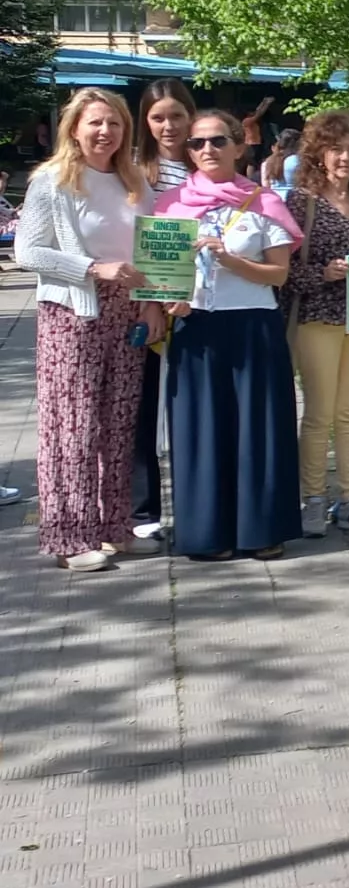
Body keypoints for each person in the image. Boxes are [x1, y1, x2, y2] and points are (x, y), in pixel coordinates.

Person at [16, 88, 160, 569]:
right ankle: (71, 538)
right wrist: (90, 268)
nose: (105, 132)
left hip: (128, 312)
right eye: (95, 122)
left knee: (119, 425)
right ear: (74, 128)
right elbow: (27, 252)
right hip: (75, 312)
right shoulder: (52, 181)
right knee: (73, 427)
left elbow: (154, 248)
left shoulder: (134, 179)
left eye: (115, 123)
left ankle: (114, 528)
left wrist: (154, 301)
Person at [155, 110, 304, 561]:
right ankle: (205, 533)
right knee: (201, 430)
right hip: (195, 325)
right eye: (197, 143)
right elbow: (160, 271)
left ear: (240, 146)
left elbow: (279, 275)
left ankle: (260, 529)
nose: (206, 150)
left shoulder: (265, 203)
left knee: (256, 428)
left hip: (252, 324)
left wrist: (231, 260)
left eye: (218, 141)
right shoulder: (171, 204)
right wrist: (169, 301)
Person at [283, 110, 349, 538]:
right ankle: (313, 500)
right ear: (318, 155)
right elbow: (282, 271)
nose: (345, 157)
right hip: (316, 319)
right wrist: (322, 274)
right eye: (336, 149)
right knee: (319, 414)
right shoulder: (299, 202)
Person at [131, 77, 198, 543]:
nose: (168, 125)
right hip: (152, 306)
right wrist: (152, 304)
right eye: (158, 118)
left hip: (201, 304)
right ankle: (144, 509)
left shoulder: (207, 163)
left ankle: (197, 503)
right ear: (145, 123)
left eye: (176, 115)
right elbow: (139, 242)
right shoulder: (136, 170)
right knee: (144, 409)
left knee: (192, 409)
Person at [261, 128, 301, 195]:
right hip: (293, 199)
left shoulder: (267, 162)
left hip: (275, 198)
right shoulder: (297, 160)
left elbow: (266, 186)